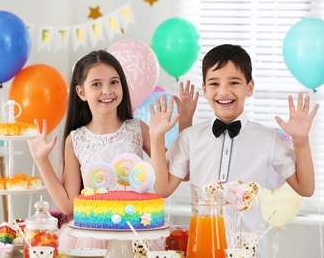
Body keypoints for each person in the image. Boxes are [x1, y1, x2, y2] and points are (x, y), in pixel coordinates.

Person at [149, 44, 319, 258]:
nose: (224, 91)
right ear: (204, 89)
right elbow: (162, 189)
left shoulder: (267, 138)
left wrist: (301, 141)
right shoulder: (190, 137)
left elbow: (306, 187)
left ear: (249, 87)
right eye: (214, 83)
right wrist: (156, 138)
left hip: (250, 251)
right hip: (203, 248)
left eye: (234, 82)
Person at [27, 50, 198, 251]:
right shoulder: (76, 140)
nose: (107, 90)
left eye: (114, 82)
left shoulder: (138, 129)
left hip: (138, 234)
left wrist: (185, 121)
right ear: (81, 92)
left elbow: (181, 174)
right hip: (90, 239)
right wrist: (41, 159)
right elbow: (67, 204)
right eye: (96, 84)